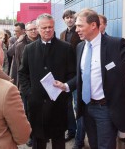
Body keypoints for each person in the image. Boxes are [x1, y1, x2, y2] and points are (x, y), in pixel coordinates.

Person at [55, 9, 125, 149]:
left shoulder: (116, 44)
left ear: (93, 25)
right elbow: (83, 76)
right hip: (87, 108)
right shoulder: (80, 47)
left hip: (106, 110)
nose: (76, 29)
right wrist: (66, 86)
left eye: (80, 26)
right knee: (94, 145)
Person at [18, 13, 76, 149]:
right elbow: (22, 73)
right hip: (37, 105)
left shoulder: (66, 48)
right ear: (37, 28)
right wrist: (29, 93)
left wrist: (64, 90)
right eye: (44, 28)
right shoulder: (29, 49)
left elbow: (73, 74)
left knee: (58, 140)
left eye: (50, 27)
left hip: (58, 104)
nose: (47, 30)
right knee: (38, 141)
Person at [15, 20, 39, 147]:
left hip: (41, 84)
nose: (34, 31)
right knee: (28, 112)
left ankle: (41, 134)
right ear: (26, 31)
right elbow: (19, 67)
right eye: (31, 30)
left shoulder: (44, 42)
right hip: (27, 85)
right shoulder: (20, 46)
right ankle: (31, 135)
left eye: (35, 29)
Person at [60, 9, 82, 144]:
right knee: (68, 105)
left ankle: (80, 135)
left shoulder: (79, 33)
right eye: (66, 17)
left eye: (71, 17)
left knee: (77, 106)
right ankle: (71, 131)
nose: (69, 19)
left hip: (78, 72)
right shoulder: (62, 34)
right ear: (64, 20)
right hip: (66, 75)